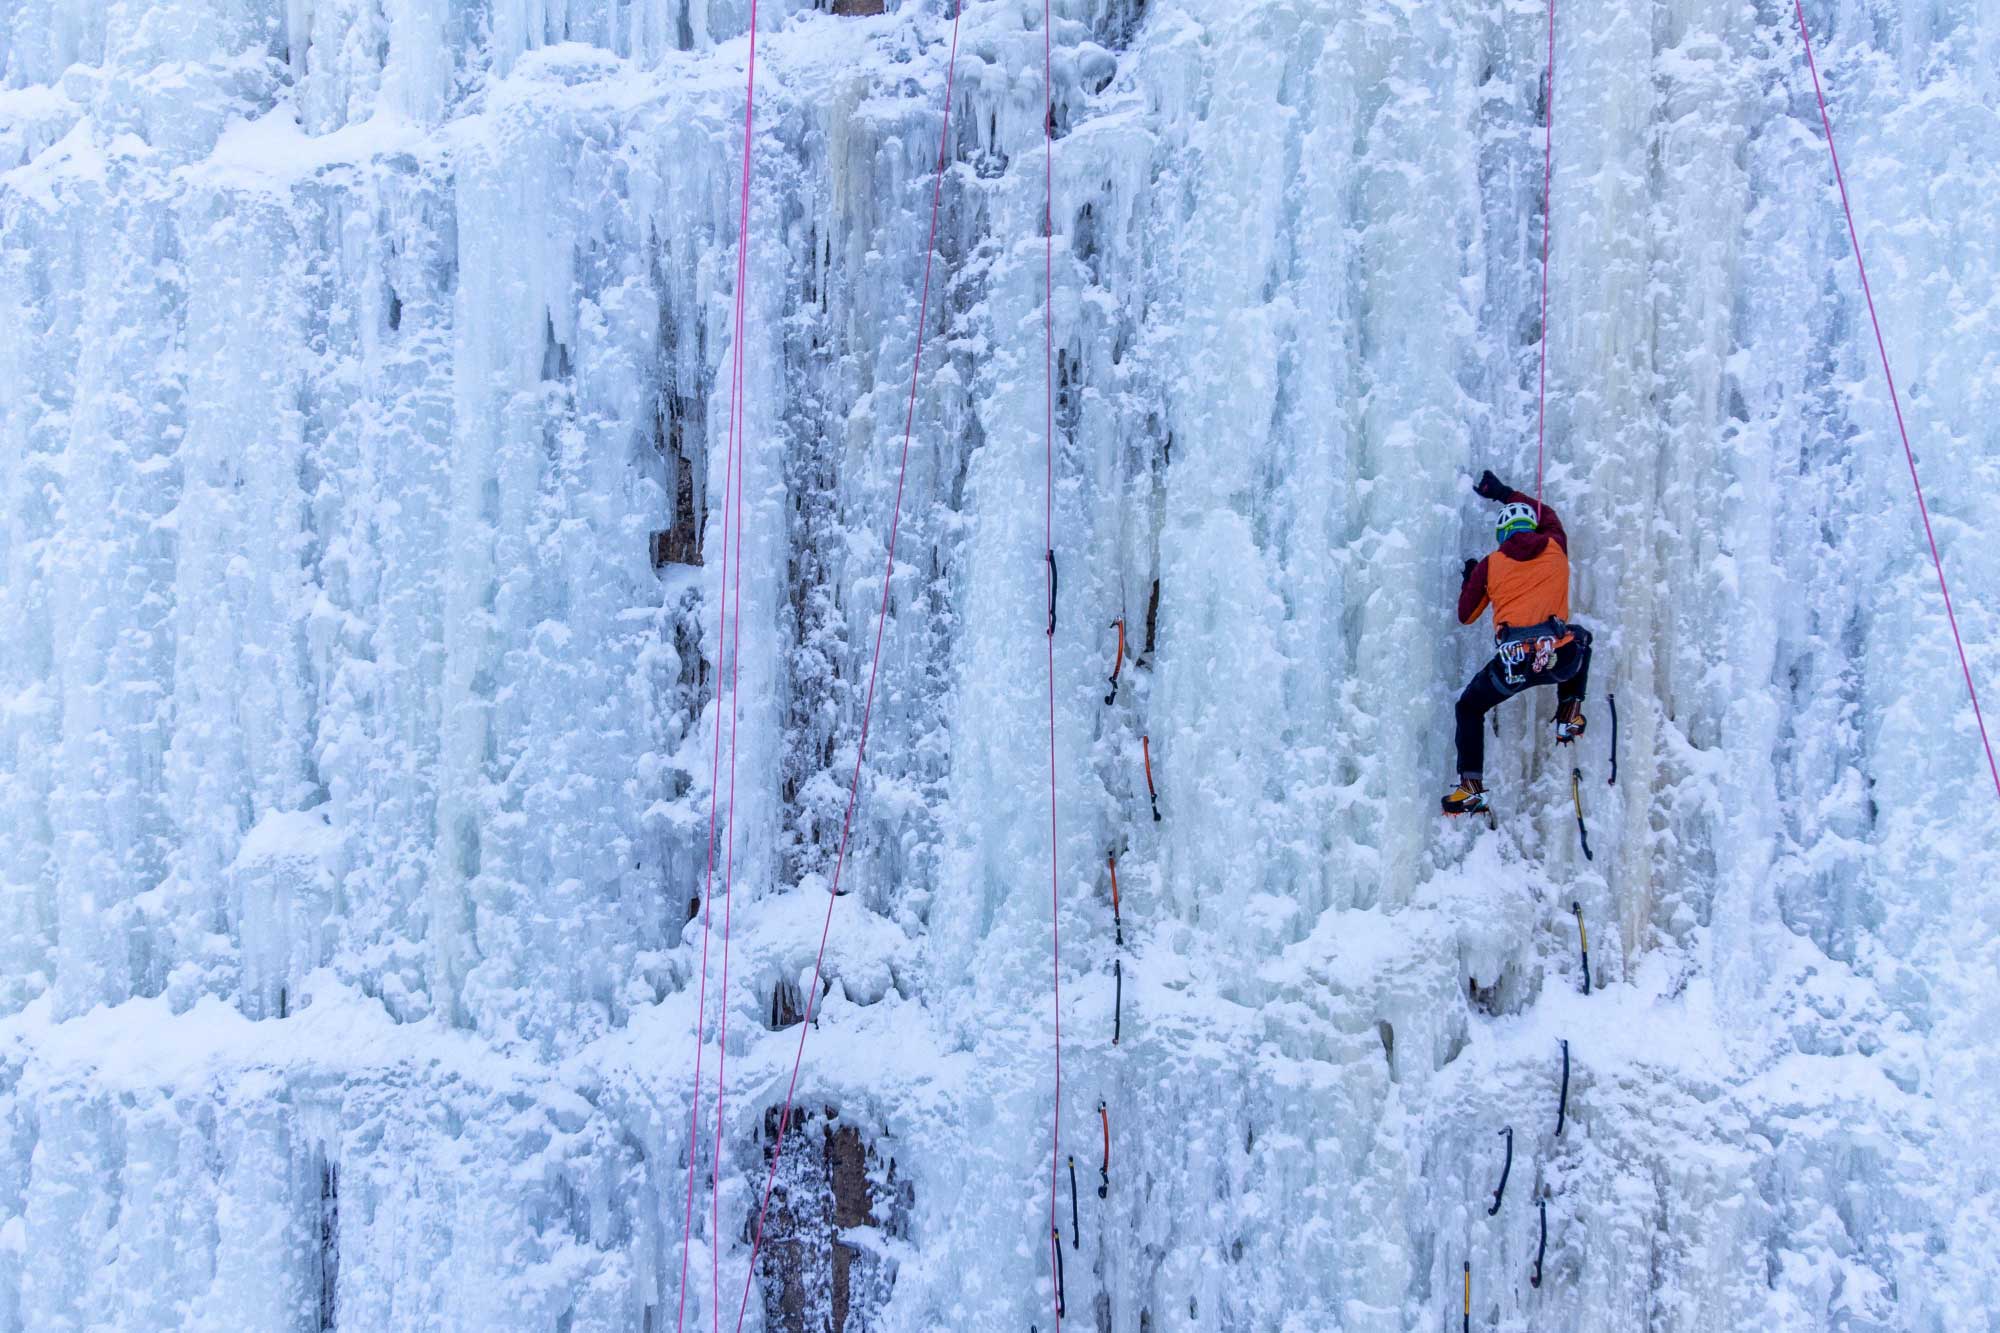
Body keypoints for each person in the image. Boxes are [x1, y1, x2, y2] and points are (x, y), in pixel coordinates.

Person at [1442, 470, 1593, 815]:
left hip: (1514, 668)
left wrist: (1471, 580)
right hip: (1560, 659)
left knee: (1469, 708)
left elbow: (1466, 615)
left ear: (1502, 534)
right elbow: (1549, 515)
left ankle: (1471, 788)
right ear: (1534, 528)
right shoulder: (1555, 544)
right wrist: (1504, 492)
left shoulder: (1491, 565)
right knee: (1581, 638)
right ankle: (1569, 714)